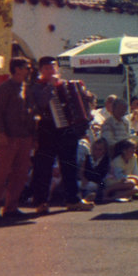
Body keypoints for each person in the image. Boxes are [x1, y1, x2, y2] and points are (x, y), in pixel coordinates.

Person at [28, 56, 94, 214]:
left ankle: (73, 200)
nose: (51, 71)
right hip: (47, 127)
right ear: (41, 71)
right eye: (47, 68)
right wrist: (50, 86)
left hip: (67, 129)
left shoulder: (66, 84)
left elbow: (79, 104)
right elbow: (42, 104)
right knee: (44, 167)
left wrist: (87, 99)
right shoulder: (36, 87)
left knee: (70, 165)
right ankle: (41, 202)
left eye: (53, 68)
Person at [0, 57, 35, 222]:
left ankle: (11, 207)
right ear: (17, 69)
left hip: (24, 136)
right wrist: (0, 133)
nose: (29, 70)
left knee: (20, 174)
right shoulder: (4, 88)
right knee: (1, 173)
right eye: (26, 67)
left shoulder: (26, 88)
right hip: (8, 136)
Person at [78, 137, 110, 203]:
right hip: (86, 182)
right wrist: (83, 178)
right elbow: (81, 172)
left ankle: (86, 198)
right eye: (95, 149)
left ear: (104, 150)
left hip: (97, 183)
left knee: (93, 187)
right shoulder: (88, 158)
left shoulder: (106, 160)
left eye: (100, 149)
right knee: (77, 184)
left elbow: (104, 175)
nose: (97, 151)